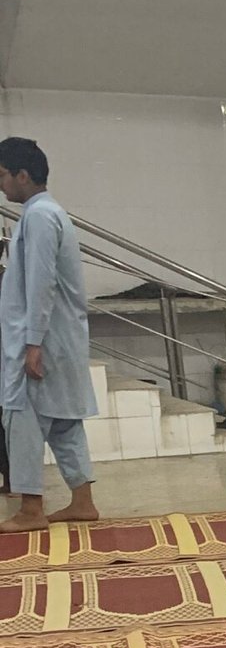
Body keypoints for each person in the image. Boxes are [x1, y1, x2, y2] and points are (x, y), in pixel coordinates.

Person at [0, 138, 97, 528]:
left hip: (43, 339)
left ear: (23, 175)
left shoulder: (40, 216)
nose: (1, 185)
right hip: (58, 337)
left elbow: (41, 282)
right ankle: (82, 502)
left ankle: (31, 509)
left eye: (3, 176)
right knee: (62, 422)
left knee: (22, 418)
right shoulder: (48, 213)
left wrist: (32, 343)